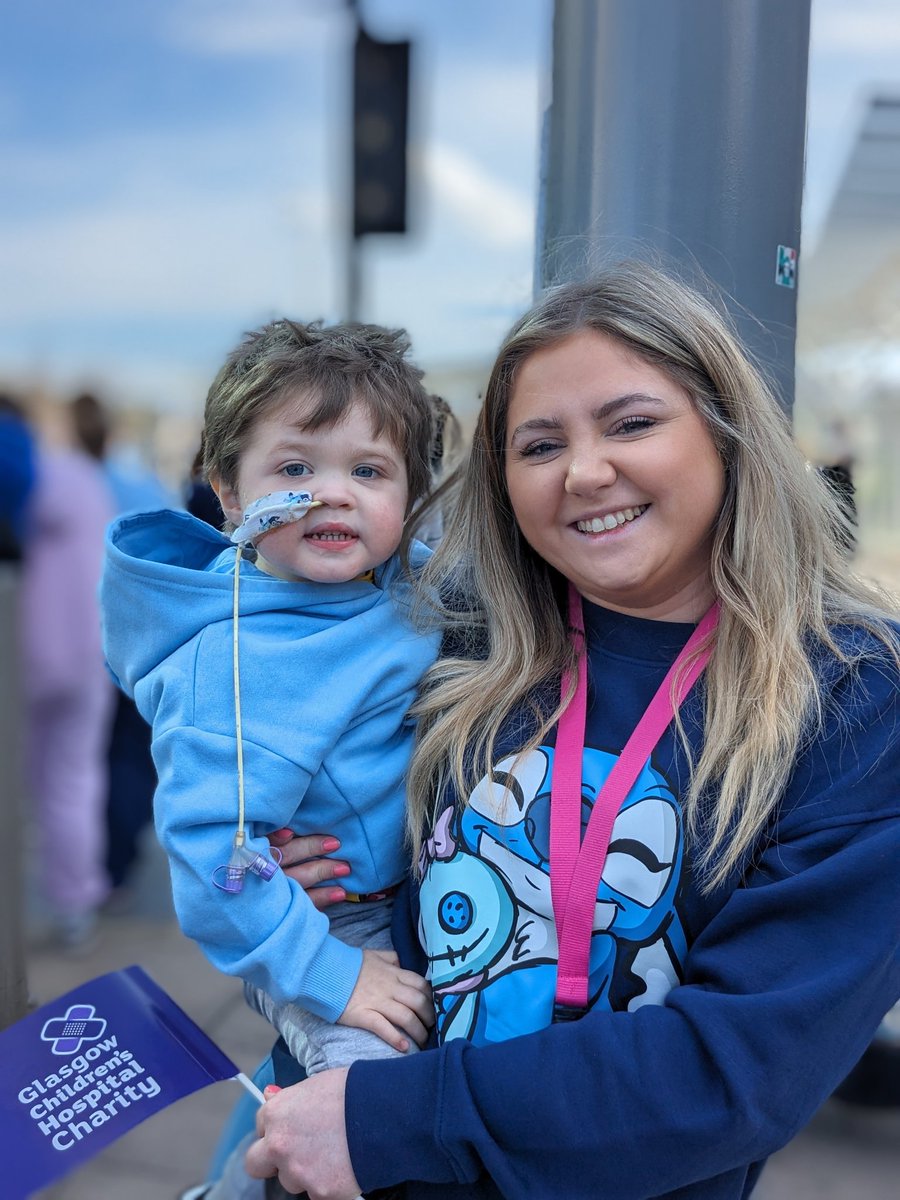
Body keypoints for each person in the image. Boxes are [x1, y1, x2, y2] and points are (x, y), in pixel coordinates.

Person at [244, 263, 900, 1200]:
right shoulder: (441, 640)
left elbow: (740, 1068)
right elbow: (283, 822)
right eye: (539, 444)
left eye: (632, 423)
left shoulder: (856, 698)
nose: (586, 472)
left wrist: (397, 1122)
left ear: (726, 432)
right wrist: (286, 877)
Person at [101, 321, 439, 1118]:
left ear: (409, 495)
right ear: (228, 492)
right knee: (363, 1111)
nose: (334, 492)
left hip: (422, 898)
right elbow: (214, 857)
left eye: (369, 469)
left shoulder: (403, 584)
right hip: (325, 936)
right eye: (295, 468)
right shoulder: (235, 671)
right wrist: (328, 974)